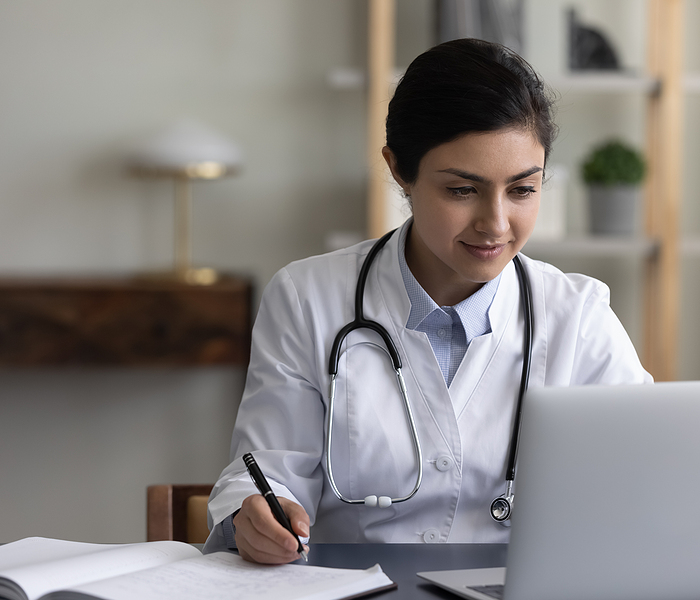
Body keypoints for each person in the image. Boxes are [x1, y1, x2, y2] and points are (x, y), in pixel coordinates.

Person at [203, 38, 651, 564]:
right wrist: (259, 512)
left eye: (522, 190)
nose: (496, 223)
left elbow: (645, 478)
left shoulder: (580, 315)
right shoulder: (307, 299)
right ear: (400, 170)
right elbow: (269, 472)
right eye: (462, 190)